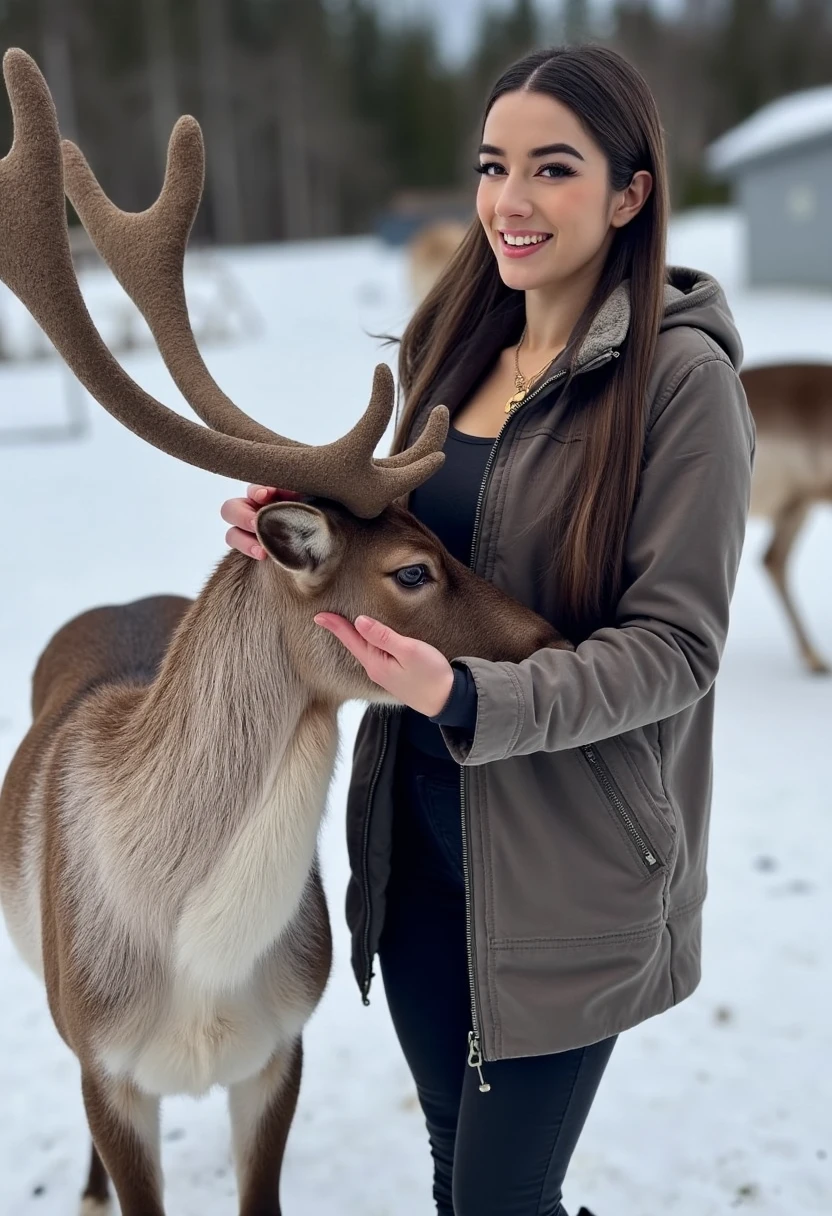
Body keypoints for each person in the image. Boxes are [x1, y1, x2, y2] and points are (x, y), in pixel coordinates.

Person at [220, 44, 754, 1216]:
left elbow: (676, 650)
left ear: (629, 192)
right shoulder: (448, 349)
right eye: (491, 164)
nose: (510, 202)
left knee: (502, 1197)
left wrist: (467, 695)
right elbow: (403, 548)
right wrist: (293, 526)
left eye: (553, 169)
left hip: (568, 864)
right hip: (415, 842)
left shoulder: (679, 387)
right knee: (462, 1181)